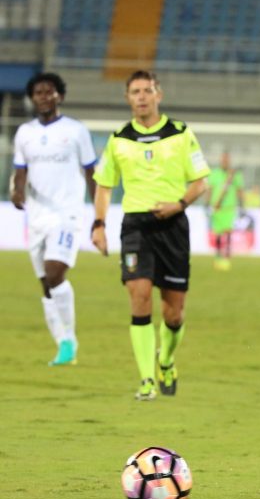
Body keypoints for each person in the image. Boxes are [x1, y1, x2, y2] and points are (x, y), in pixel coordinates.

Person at [91, 70, 210, 401]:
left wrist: (179, 203)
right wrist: (98, 224)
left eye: (147, 90)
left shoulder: (181, 133)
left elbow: (200, 181)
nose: (141, 96)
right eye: (135, 92)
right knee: (139, 294)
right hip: (135, 227)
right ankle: (146, 380)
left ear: (159, 94)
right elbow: (103, 185)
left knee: (174, 313)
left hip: (173, 226)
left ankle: (166, 360)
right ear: (128, 98)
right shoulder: (118, 139)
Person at [11, 72, 97, 366]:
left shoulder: (75, 131)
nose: (44, 97)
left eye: (49, 92)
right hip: (36, 217)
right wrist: (17, 190)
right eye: (38, 93)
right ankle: (63, 342)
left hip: (66, 215)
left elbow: (90, 172)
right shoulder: (24, 133)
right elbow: (20, 169)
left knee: (55, 273)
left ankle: (70, 338)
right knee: (46, 285)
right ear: (32, 98)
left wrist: (99, 214)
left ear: (59, 95)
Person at [207, 151, 244, 270]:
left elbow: (239, 190)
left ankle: (226, 256)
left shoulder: (234, 175)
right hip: (217, 207)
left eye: (227, 159)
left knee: (228, 233)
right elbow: (210, 189)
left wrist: (242, 204)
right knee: (217, 233)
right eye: (223, 159)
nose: (225, 161)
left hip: (229, 208)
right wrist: (207, 203)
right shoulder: (214, 173)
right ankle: (218, 257)